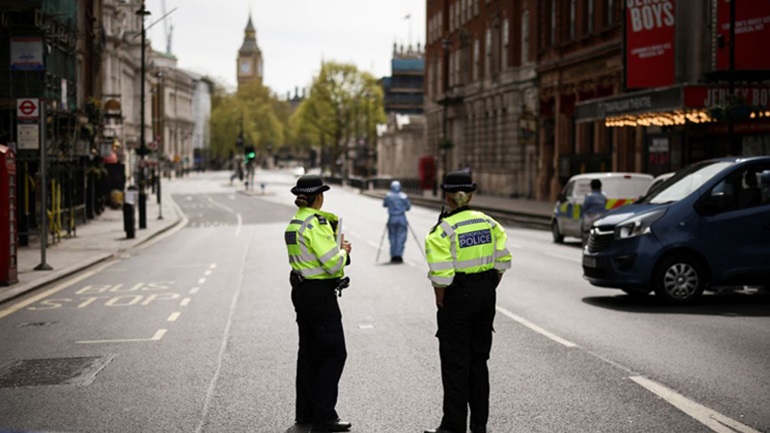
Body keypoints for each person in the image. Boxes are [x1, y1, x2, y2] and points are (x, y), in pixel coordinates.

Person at [423, 171, 512, 433]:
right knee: (478, 362)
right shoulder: (489, 222)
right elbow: (502, 261)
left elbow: (441, 275)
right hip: (486, 294)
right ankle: (479, 425)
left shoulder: (443, 229)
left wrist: (442, 299)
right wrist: (487, 285)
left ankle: (453, 425)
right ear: (470, 195)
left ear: (447, 197)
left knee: (454, 363)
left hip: (457, 297)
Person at [284, 174, 352, 433]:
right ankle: (324, 416)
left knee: (309, 353)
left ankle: (305, 414)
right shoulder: (316, 224)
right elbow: (333, 264)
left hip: (300, 291)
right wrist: (344, 251)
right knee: (335, 352)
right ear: (319, 197)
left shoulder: (294, 224)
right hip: (319, 295)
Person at [382, 180, 411, 263]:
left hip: (392, 218)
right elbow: (408, 207)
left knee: (392, 237)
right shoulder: (404, 196)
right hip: (401, 218)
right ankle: (399, 255)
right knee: (401, 237)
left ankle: (393, 255)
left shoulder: (388, 196)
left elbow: (384, 204)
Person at [581, 178, 607, 242]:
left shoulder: (589, 197)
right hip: (601, 219)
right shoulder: (603, 197)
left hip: (590, 219)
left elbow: (584, 208)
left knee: (586, 236)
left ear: (591, 187)